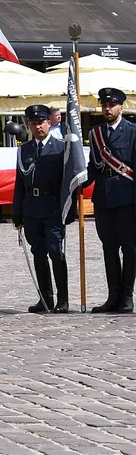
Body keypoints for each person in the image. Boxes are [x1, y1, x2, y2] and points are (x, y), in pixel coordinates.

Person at [13, 104, 70, 314]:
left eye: (41, 122)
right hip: (31, 208)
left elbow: (67, 182)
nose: (38, 127)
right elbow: (20, 183)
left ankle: (63, 299)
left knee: (56, 252)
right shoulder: (25, 149)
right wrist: (17, 211)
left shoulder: (60, 147)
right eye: (34, 123)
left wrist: (69, 209)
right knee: (38, 253)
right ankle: (45, 298)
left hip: (53, 207)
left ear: (49, 123)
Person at [87, 87, 136, 313]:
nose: (107, 109)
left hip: (127, 197)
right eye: (104, 105)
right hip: (103, 197)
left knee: (130, 248)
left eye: (111, 105)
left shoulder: (132, 131)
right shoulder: (95, 133)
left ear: (121, 107)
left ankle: (127, 296)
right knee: (109, 248)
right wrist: (78, 181)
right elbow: (93, 167)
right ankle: (113, 296)